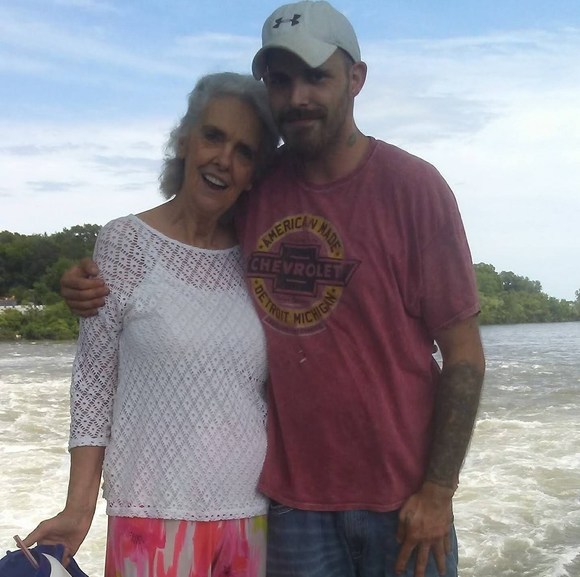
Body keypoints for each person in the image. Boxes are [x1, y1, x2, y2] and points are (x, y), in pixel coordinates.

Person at [59, 2, 486, 577]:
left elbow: (464, 355)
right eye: (281, 81)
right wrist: (85, 282)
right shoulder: (259, 187)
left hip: (405, 503)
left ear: (356, 78)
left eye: (316, 77)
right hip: (290, 509)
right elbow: (179, 250)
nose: (298, 97)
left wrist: (438, 491)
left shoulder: (415, 188)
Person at [22, 72, 280, 577]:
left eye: (244, 151)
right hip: (149, 518)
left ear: (253, 174)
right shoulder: (124, 242)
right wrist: (79, 507)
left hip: (249, 520)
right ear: (184, 141)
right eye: (213, 136)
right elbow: (94, 382)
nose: (224, 159)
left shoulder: (257, 256)